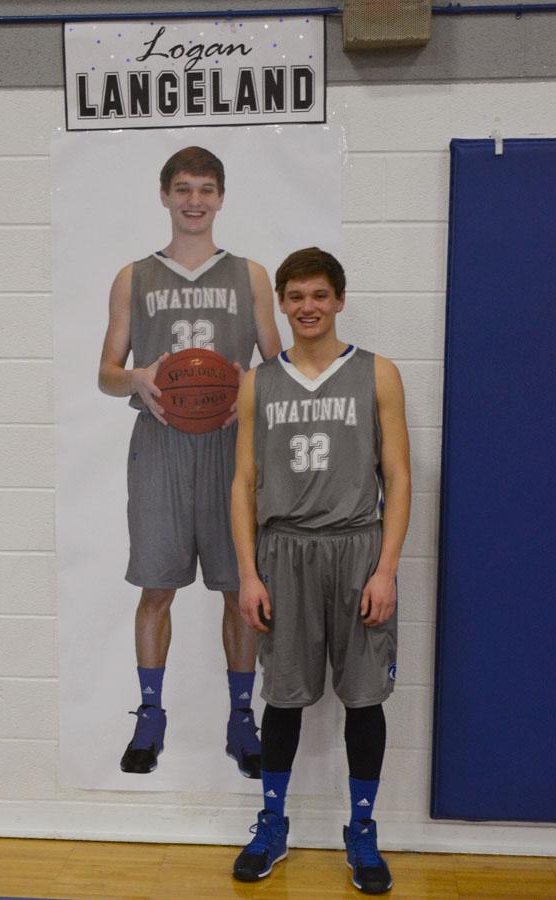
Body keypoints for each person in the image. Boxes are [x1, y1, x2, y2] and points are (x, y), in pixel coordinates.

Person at [230, 248, 410, 893]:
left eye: (319, 295)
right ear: (280, 302)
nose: (308, 307)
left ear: (338, 300)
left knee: (363, 697)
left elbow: (399, 476)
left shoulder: (377, 373)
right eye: (296, 296)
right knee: (283, 696)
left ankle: (362, 829)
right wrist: (249, 574)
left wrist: (386, 569)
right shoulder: (258, 381)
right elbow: (245, 480)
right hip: (285, 551)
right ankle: (272, 822)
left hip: (357, 547)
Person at [98, 146, 281, 777]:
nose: (194, 200)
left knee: (239, 591)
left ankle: (241, 721)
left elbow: (276, 367)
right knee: (157, 587)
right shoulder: (134, 277)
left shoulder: (251, 275)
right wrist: (139, 378)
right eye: (183, 189)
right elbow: (105, 374)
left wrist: (248, 388)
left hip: (232, 449)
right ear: (164, 195)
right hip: (160, 446)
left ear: (222, 197)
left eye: (206, 189)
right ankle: (150, 716)